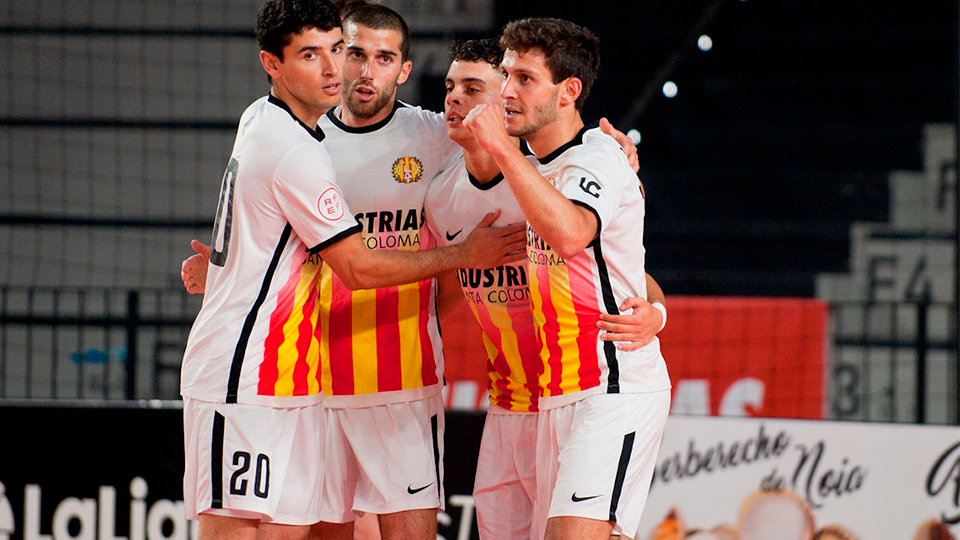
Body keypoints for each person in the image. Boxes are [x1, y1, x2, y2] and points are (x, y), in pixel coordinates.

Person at [179, 2, 524, 539]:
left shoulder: (432, 137)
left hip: (396, 381)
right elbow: (350, 263)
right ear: (275, 63)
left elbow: (524, 156)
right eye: (349, 52)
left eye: (379, 58)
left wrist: (610, 163)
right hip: (302, 379)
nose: (354, 71)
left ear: (404, 70)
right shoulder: (301, 142)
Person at [425, 39, 668, 540]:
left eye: (476, 89)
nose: (456, 100)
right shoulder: (442, 198)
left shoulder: (557, 175)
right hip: (515, 404)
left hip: (593, 387)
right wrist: (463, 257)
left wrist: (657, 313)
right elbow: (436, 300)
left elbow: (624, 269)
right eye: (450, 87)